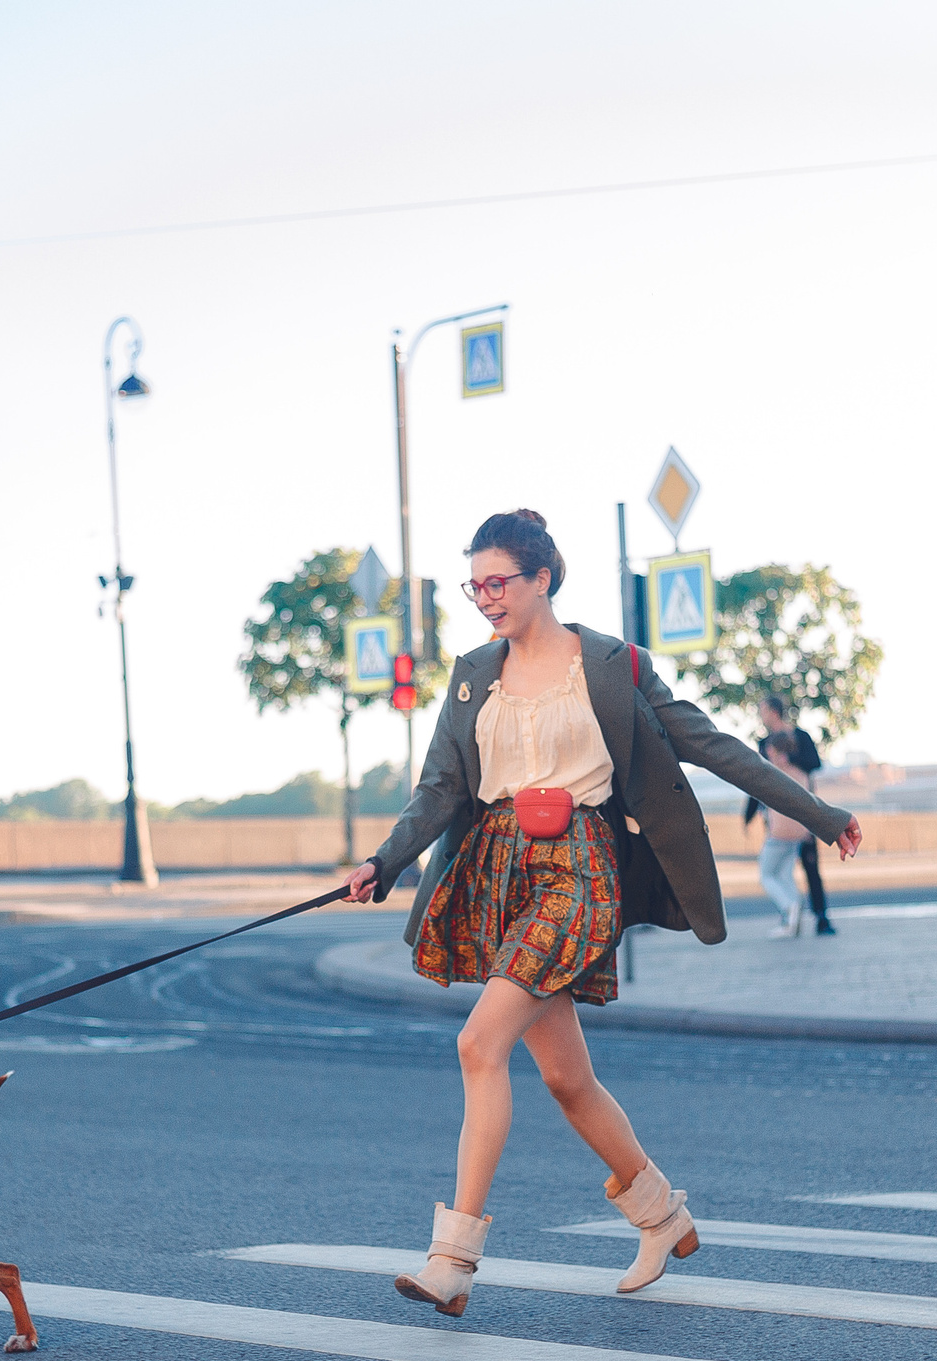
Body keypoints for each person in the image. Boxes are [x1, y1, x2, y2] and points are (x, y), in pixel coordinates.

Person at [346, 509, 860, 1317]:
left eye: (498, 581)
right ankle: (661, 1216)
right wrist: (384, 861)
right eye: (474, 585)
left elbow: (712, 744)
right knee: (566, 1077)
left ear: (542, 577)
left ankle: (453, 1259)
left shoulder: (612, 667)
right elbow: (440, 787)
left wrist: (821, 816)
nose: (485, 597)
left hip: (578, 868)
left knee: (479, 1043)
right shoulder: (474, 674)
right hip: (500, 873)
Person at [746, 695, 837, 936]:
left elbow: (813, 763)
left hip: (800, 816)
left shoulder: (800, 737)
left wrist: (788, 759)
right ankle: (791, 918)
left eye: (762, 710)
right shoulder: (764, 743)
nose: (761, 715)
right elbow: (755, 783)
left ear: (773, 711)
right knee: (784, 871)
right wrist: (749, 814)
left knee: (807, 869)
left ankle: (819, 917)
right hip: (787, 818)